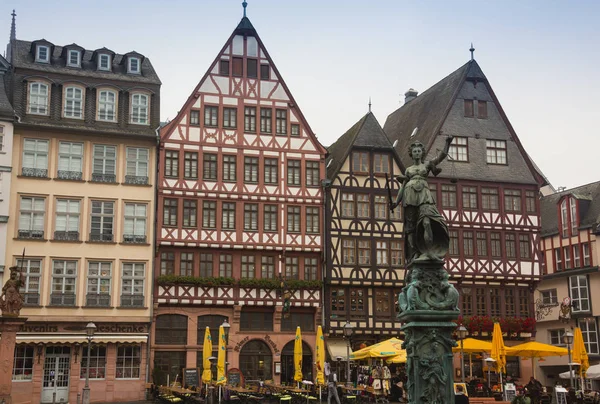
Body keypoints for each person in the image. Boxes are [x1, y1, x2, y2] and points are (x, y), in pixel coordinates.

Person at [391, 136, 453, 263]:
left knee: (427, 222)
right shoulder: (408, 170)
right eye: (415, 151)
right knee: (410, 227)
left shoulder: (428, 165)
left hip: (424, 196)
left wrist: (447, 143)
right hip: (409, 197)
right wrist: (396, 203)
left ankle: (429, 251)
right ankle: (414, 254)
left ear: (422, 153)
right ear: (411, 155)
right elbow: (402, 188)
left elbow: (441, 156)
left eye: (419, 151)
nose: (417, 153)